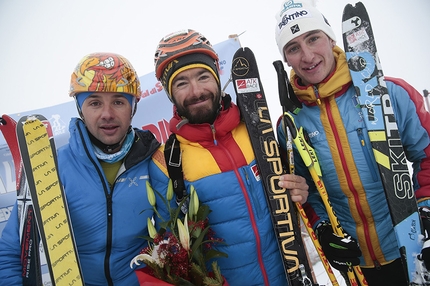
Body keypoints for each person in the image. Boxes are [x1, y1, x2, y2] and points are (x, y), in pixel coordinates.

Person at [274, 1, 430, 285]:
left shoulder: (390, 92)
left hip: (411, 249)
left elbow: (427, 154)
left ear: (331, 39)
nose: (307, 55)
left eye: (313, 38)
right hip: (357, 266)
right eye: (293, 48)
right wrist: (322, 229)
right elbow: (304, 191)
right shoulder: (290, 124)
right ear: (286, 59)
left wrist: (427, 205)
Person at [148, 29, 309, 286]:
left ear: (217, 77)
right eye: (181, 83)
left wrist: (301, 190)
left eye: (203, 76)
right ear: (170, 94)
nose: (196, 91)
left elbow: (294, 194)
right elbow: (174, 254)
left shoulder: (257, 128)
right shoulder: (166, 163)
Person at [0, 52, 160, 285]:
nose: (107, 114)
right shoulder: (53, 167)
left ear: (133, 107)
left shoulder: (153, 160)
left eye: (118, 101)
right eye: (94, 103)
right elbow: (11, 251)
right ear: (80, 108)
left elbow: (174, 239)